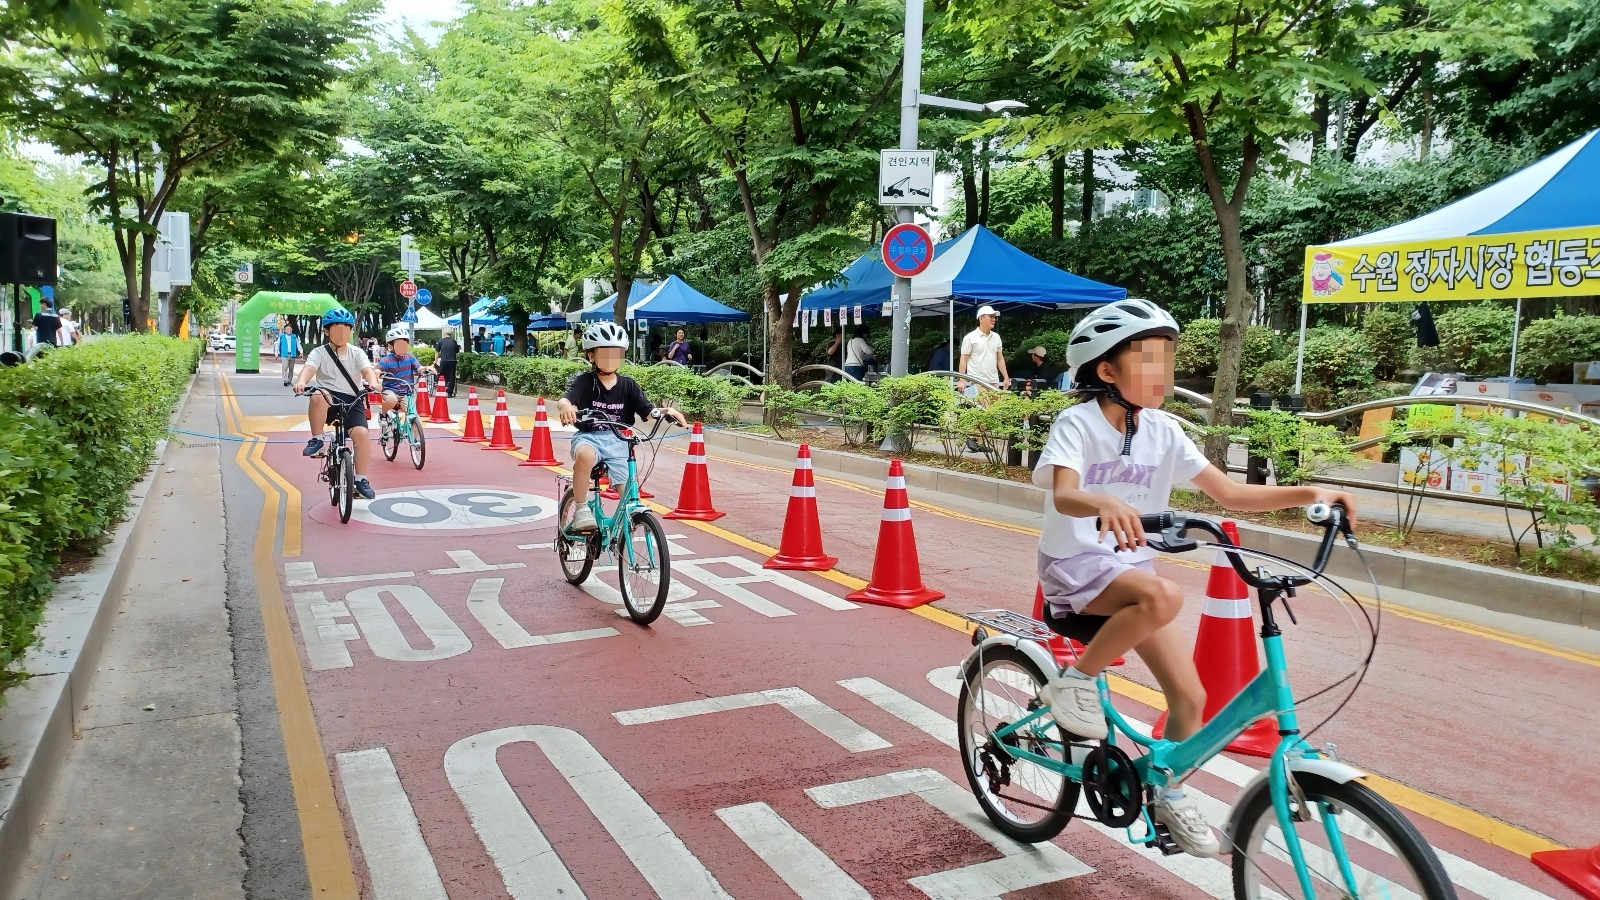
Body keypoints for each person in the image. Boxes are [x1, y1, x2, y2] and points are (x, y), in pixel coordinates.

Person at [1032, 298, 1358, 858]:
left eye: (1167, 359)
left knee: (1192, 699)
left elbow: (1230, 493)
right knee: (1165, 593)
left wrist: (1312, 492)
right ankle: (1075, 680)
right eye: (1148, 360)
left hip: (1130, 571)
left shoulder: (1162, 432)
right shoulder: (1077, 424)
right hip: (1073, 567)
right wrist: (1100, 501)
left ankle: (1166, 790)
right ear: (1106, 371)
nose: (1163, 372)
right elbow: (1062, 492)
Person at [557, 321, 688, 532]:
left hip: (619, 441)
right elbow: (566, 400)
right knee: (585, 456)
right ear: (592, 356)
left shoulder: (628, 384)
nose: (612, 358)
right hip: (589, 438)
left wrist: (665, 412)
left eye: (616, 353)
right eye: (606, 353)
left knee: (628, 494)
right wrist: (566, 408)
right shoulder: (585, 381)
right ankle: (581, 507)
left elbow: (647, 410)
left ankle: (627, 526)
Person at [292, 308, 381, 500]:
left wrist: (373, 383)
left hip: (353, 399)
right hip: (329, 399)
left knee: (362, 434)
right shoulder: (319, 353)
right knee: (317, 394)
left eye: (345, 329)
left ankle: (361, 480)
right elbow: (309, 369)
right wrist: (301, 382)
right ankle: (317, 440)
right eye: (336, 329)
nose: (342, 333)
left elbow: (367, 370)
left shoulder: (357, 353)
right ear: (327, 331)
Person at [377, 325, 422, 418]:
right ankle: (383, 414)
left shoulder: (410, 357)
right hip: (390, 390)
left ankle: (411, 431)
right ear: (390, 346)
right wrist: (376, 373)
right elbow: (377, 369)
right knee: (392, 400)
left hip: (406, 392)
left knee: (413, 415)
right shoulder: (386, 360)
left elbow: (418, 368)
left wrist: (425, 369)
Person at [436, 327, 460, 394]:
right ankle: (450, 392)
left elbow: (437, 352)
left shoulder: (441, 341)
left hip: (444, 360)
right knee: (452, 376)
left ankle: (443, 387)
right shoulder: (454, 341)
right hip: (453, 360)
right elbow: (457, 351)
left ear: (444, 333)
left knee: (441, 374)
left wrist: (435, 361)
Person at [278, 321, 302, 387]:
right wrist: (276, 353)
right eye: (288, 329)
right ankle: (285, 380)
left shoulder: (294, 337)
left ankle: (289, 380)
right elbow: (277, 345)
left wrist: (301, 352)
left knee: (291, 368)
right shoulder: (281, 336)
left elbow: (298, 345)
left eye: (290, 329)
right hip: (284, 355)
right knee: (285, 367)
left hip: (292, 355)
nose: (289, 330)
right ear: (285, 330)